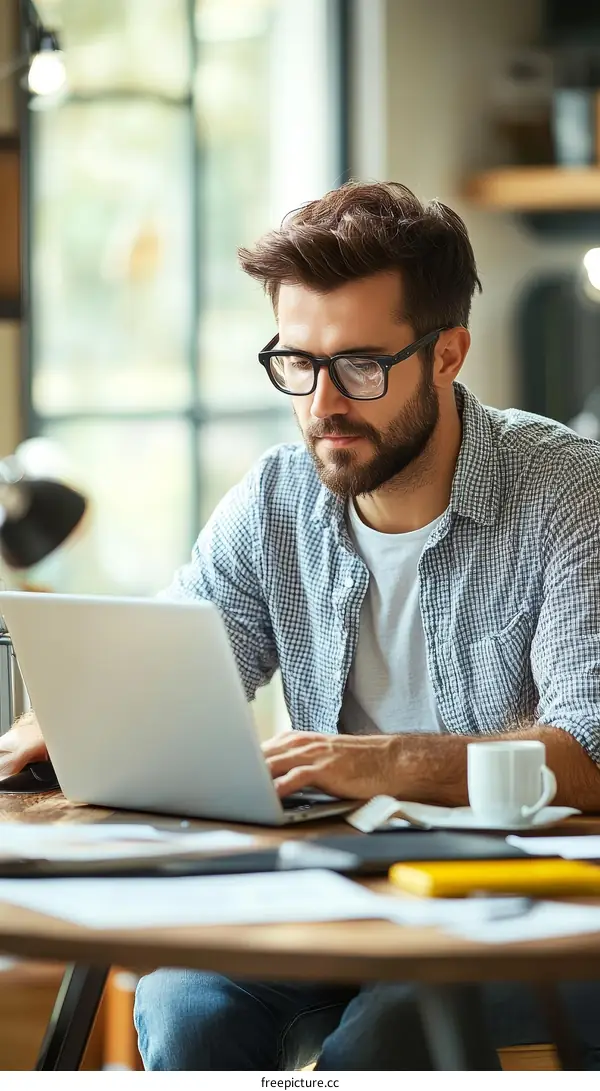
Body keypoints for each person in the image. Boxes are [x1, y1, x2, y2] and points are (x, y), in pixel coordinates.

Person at [3, 181, 600, 1070]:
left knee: (392, 1029)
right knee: (185, 1000)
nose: (323, 403)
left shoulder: (568, 492)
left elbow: (589, 755)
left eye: (360, 364)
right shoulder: (276, 500)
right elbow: (175, 670)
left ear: (448, 354)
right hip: (332, 885)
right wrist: (77, 720)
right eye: (297, 362)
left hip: (521, 904)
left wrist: (376, 760)